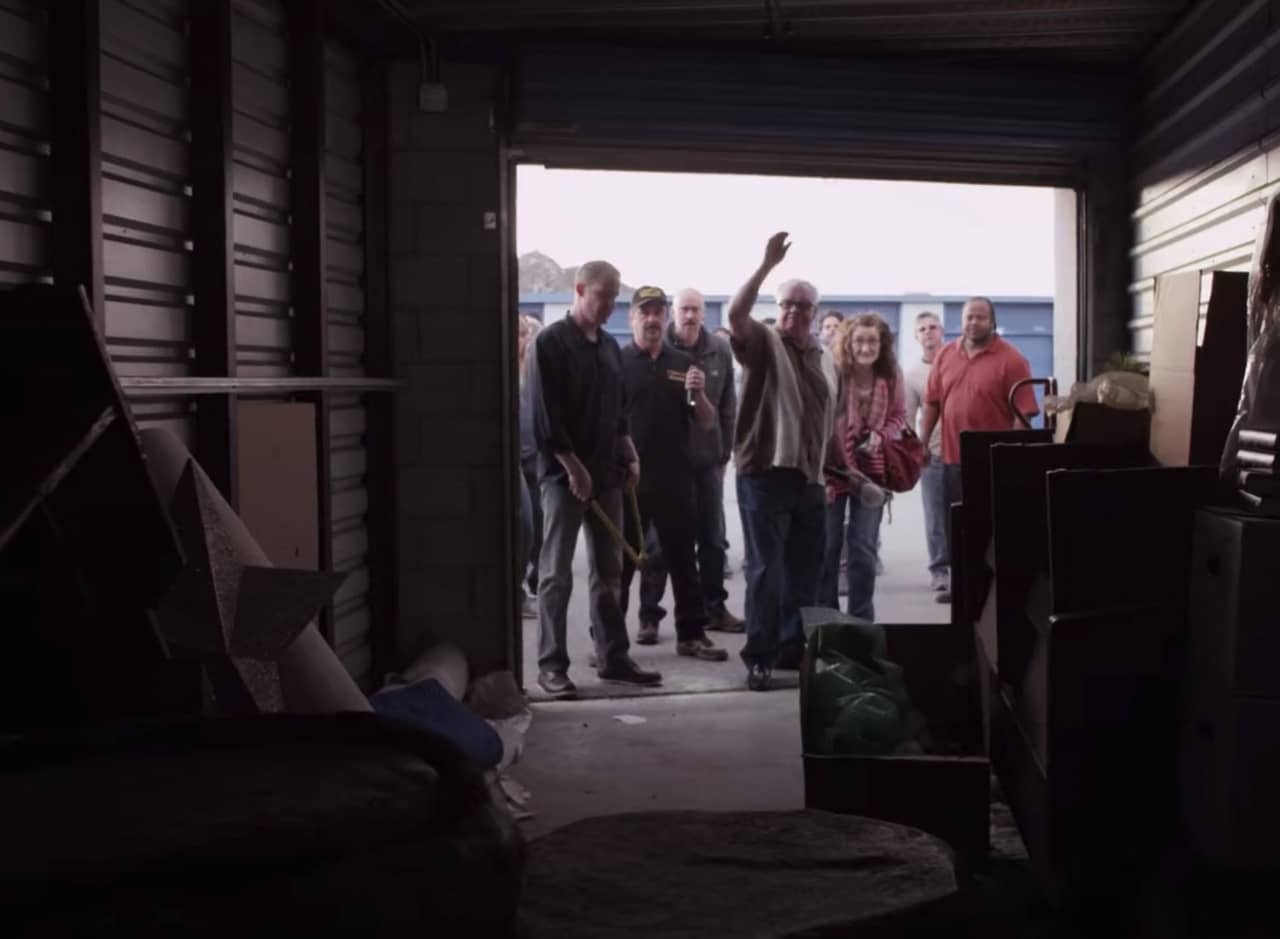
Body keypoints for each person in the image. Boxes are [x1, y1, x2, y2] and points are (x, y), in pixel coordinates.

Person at [527, 261, 662, 697]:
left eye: (615, 298)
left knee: (610, 573)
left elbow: (617, 410)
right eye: (603, 296)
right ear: (580, 289)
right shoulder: (549, 343)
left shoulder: (608, 346)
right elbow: (545, 416)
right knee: (555, 575)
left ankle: (613, 658)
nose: (610, 306)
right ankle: (551, 666)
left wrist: (629, 449)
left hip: (606, 474)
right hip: (563, 479)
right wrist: (573, 467)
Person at [727, 233, 836, 691]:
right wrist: (765, 266)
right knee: (767, 571)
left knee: (805, 574)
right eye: (786, 304)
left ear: (815, 313)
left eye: (802, 306)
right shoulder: (763, 342)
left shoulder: (825, 357)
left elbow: (829, 421)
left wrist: (839, 472)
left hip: (809, 480)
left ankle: (795, 651)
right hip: (765, 475)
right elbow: (735, 314)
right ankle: (760, 656)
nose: (793, 312)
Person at [617, 286, 728, 662]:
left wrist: (699, 395)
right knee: (621, 564)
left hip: (676, 478)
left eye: (657, 312)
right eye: (644, 312)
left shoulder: (682, 363)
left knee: (683, 560)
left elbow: (707, 421)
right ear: (632, 317)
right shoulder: (617, 362)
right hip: (629, 482)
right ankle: (611, 643)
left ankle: (691, 635)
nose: (651, 319)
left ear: (665, 319)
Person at [638, 288, 744, 637]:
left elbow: (728, 405)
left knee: (713, 540)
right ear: (674, 312)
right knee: (657, 546)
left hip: (708, 460)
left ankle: (714, 607)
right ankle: (649, 615)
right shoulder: (661, 350)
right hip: (668, 464)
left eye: (695, 309)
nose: (689, 316)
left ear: (704, 314)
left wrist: (725, 452)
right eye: (684, 309)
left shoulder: (719, 350)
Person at [921, 297, 1039, 605]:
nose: (974, 323)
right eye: (969, 317)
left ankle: (989, 593)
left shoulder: (1012, 360)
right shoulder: (946, 354)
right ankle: (959, 586)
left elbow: (1024, 413)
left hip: (990, 462)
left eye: (981, 318)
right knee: (955, 528)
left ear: (993, 320)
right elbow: (932, 402)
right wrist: (921, 443)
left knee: (988, 531)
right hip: (950, 458)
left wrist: (1012, 458)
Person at [818, 314, 904, 622]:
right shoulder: (835, 371)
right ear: (848, 343)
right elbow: (822, 419)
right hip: (833, 471)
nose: (866, 347)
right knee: (827, 550)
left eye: (872, 341)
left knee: (863, 551)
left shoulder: (891, 375)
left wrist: (880, 437)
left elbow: (898, 417)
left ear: (882, 345)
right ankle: (827, 624)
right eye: (859, 340)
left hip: (873, 474)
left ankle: (860, 622)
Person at [902, 311, 949, 600]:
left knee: (965, 514)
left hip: (965, 450)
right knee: (935, 517)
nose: (929, 332)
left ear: (942, 331)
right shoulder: (912, 375)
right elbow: (907, 418)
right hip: (933, 454)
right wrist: (913, 453)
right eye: (922, 329)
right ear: (916, 337)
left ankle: (966, 569)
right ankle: (940, 572)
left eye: (933, 327)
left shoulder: (956, 362)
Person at [517, 313, 543, 618]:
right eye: (519, 334)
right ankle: (517, 591)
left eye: (525, 334)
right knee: (524, 527)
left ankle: (532, 584)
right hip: (514, 463)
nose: (523, 340)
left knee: (538, 529)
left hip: (535, 461)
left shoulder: (530, 371)